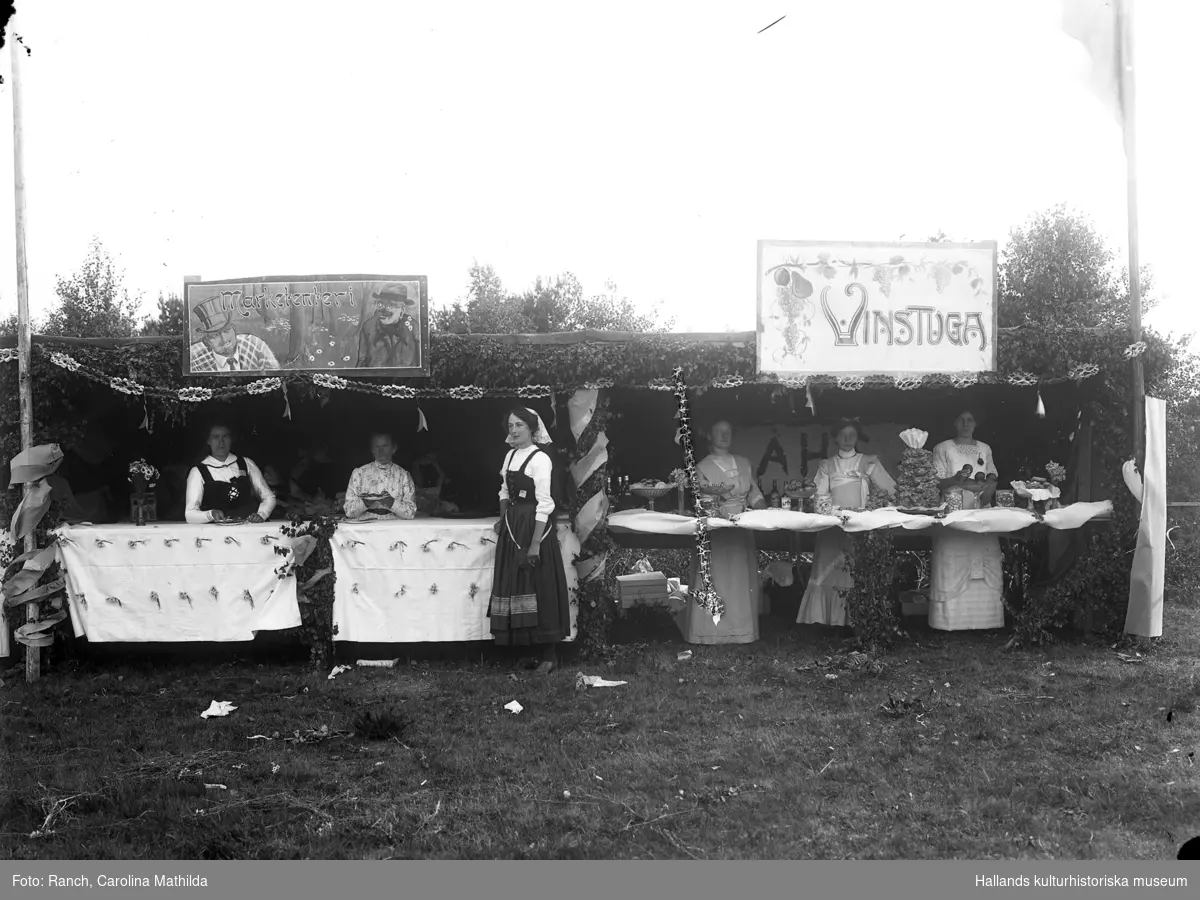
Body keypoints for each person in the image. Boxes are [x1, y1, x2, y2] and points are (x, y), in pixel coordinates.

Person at [489, 407, 571, 672]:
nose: (513, 431)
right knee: (519, 584)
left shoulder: (540, 459)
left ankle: (549, 654)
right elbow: (504, 490)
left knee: (540, 583)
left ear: (532, 429)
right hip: (514, 525)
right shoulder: (510, 455)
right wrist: (503, 518)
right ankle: (528, 647)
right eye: (511, 426)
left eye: (519, 425)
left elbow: (545, 503)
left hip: (535, 526)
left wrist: (535, 543)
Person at [797, 418, 896, 627]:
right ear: (835, 437)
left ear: (857, 437)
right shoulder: (826, 465)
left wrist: (874, 506)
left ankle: (858, 619)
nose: (848, 439)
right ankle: (826, 619)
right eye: (843, 434)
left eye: (852, 434)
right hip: (833, 525)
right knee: (830, 570)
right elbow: (818, 495)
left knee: (857, 570)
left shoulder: (869, 461)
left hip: (860, 526)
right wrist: (831, 510)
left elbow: (891, 490)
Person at [675, 420, 767, 645]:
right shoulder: (701, 468)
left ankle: (741, 630)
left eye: (729, 431)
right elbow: (701, 500)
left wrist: (765, 510)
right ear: (710, 435)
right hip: (716, 528)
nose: (725, 435)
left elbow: (754, 494)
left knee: (738, 579)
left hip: (741, 527)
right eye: (719, 431)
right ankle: (710, 632)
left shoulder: (744, 463)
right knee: (715, 577)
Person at [929, 409, 1003, 630]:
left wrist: (987, 489)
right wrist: (956, 479)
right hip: (953, 512)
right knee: (952, 558)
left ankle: (986, 621)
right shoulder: (943, 448)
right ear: (953, 422)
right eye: (961, 419)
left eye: (970, 420)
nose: (965, 424)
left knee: (984, 554)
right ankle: (950, 622)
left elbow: (991, 480)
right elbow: (937, 483)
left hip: (980, 513)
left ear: (976, 423)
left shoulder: (985, 449)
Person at [185, 422, 276, 523]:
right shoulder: (198, 471)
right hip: (216, 532)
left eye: (225, 436)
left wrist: (262, 514)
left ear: (231, 439)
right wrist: (210, 514)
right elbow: (190, 514)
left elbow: (269, 496)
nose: (221, 442)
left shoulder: (246, 463)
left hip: (249, 527)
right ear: (208, 441)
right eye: (215, 437)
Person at [188, 296, 281, 373]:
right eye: (214, 335)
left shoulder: (256, 345)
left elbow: (276, 375)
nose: (224, 339)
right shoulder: (194, 358)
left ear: (234, 330)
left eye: (226, 330)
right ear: (206, 342)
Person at [343, 432, 417, 520]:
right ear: (372, 450)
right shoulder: (359, 473)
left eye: (385, 446)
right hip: (365, 527)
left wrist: (392, 503)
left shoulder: (404, 475)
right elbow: (348, 511)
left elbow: (411, 512)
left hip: (395, 526)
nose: (381, 450)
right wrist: (365, 502)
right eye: (377, 446)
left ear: (394, 448)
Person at [356, 283, 420, 369]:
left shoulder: (414, 328)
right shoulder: (368, 327)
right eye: (380, 304)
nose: (383, 310)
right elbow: (361, 363)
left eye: (390, 305)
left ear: (402, 309)